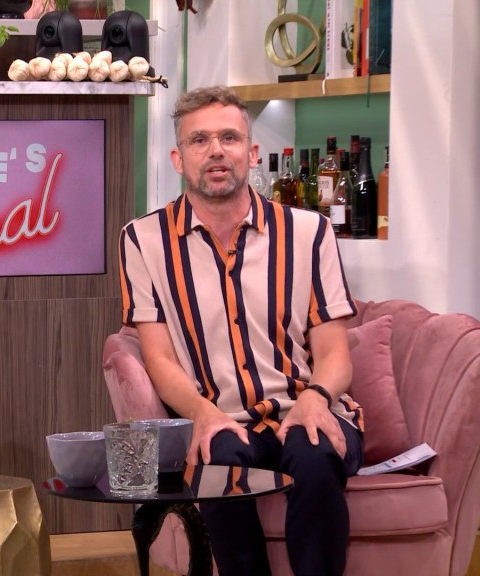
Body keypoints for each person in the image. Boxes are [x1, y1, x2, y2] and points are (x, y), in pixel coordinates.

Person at [118, 86, 364, 576]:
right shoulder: (142, 240)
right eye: (199, 140)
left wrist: (317, 398)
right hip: (222, 417)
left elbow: (335, 353)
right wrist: (202, 414)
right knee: (218, 454)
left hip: (302, 405)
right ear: (178, 159)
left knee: (314, 451)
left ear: (251, 154)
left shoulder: (308, 232)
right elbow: (159, 359)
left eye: (229, 138)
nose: (216, 151)